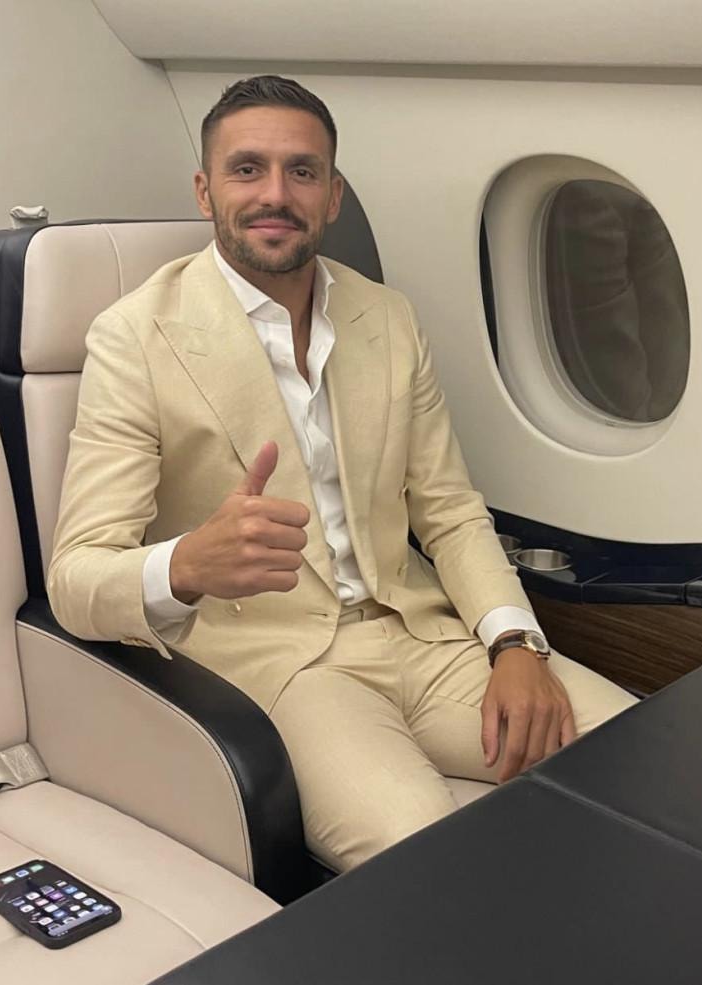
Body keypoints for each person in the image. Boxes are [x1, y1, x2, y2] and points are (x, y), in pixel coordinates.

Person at [48, 75, 637, 872]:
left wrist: (515, 644)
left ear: (332, 196)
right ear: (205, 190)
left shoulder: (386, 317)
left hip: (423, 635)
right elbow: (75, 579)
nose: (274, 194)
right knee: (435, 858)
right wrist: (185, 564)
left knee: (645, 761)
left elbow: (450, 511)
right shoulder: (134, 337)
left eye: (302, 171)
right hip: (288, 667)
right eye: (246, 169)